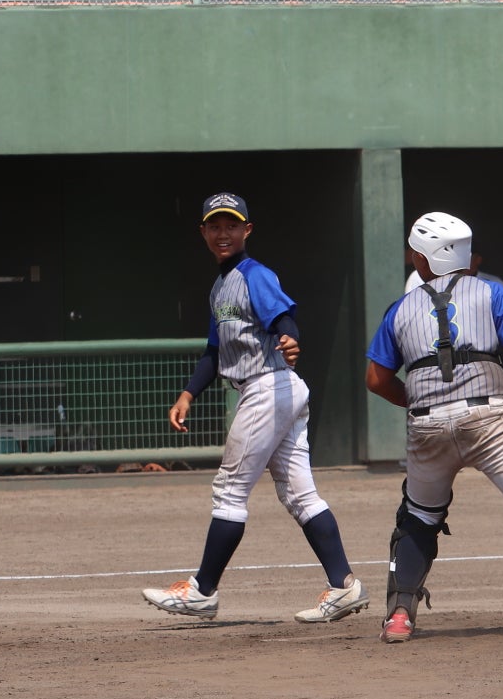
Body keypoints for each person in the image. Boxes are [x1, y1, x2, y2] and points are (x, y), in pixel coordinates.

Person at [141, 193, 364, 624]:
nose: (223, 232)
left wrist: (290, 337)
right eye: (215, 225)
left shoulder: (254, 274)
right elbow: (213, 350)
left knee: (230, 490)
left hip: (269, 386)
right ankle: (344, 586)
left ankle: (202, 591)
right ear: (203, 232)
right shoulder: (220, 286)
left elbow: (282, 318)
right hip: (275, 389)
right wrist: (188, 394)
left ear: (247, 230)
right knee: (300, 494)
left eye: (231, 225)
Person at [364, 212, 503, 644]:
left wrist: (419, 400)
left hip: (427, 426)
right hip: (489, 421)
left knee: (417, 519)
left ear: (423, 258)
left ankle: (398, 616)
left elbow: (376, 379)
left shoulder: (400, 308)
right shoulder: (491, 293)